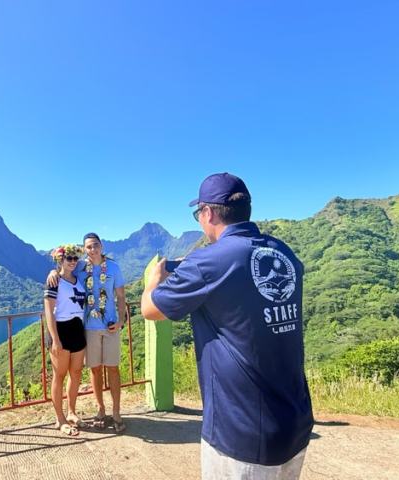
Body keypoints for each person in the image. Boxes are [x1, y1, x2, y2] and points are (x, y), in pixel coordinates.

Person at [141, 173, 313, 479]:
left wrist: (153, 282)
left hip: (241, 435)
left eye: (198, 214)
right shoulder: (283, 253)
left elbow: (150, 310)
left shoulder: (208, 262)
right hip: (295, 423)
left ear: (207, 213)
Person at [47, 233, 128, 433]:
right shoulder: (82, 268)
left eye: (95, 246)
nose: (92, 250)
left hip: (107, 327)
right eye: (88, 247)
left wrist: (121, 320)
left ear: (101, 246)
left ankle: (115, 411)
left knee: (111, 369)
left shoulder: (113, 268)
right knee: (93, 370)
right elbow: (63, 271)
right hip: (88, 328)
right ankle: (99, 410)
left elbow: (120, 296)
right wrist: (53, 271)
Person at [44, 244, 88, 436]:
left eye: (74, 258)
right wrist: (55, 339)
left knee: (76, 373)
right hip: (61, 330)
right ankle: (59, 418)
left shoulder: (79, 281)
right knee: (59, 376)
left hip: (78, 329)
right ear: (60, 260)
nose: (72, 261)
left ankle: (71, 412)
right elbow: (49, 312)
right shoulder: (54, 281)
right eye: (68, 258)